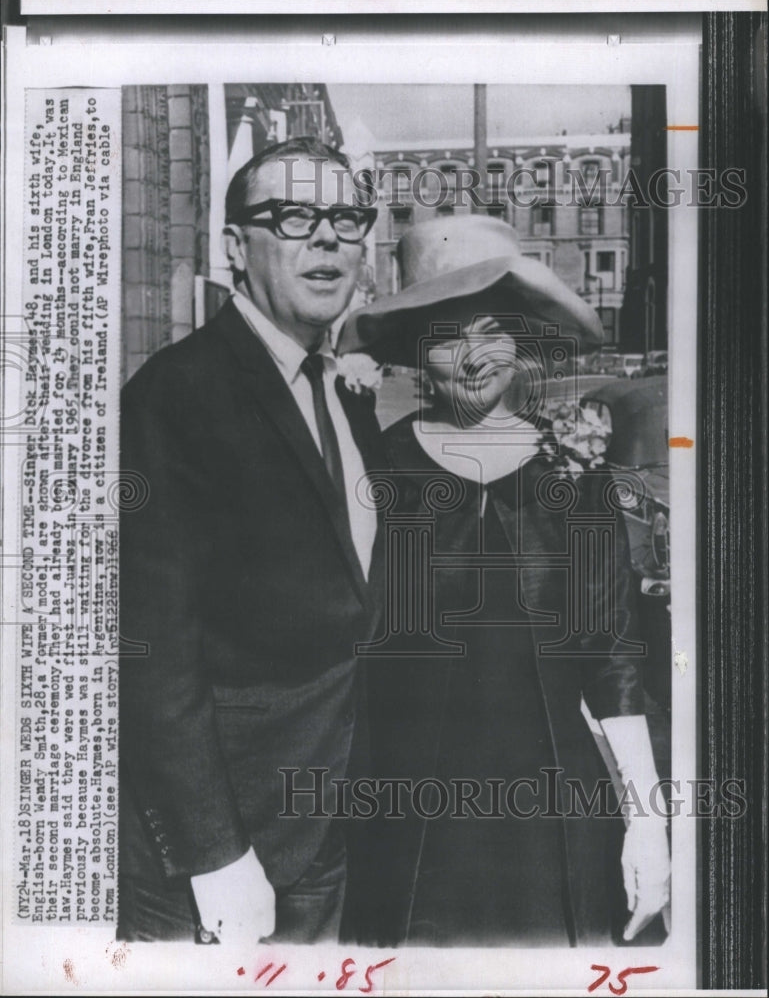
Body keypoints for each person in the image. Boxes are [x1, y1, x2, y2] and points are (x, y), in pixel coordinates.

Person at [339, 215, 671, 948]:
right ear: (415, 351)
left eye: (491, 330)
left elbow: (613, 658)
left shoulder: (570, 476)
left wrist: (647, 828)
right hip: (407, 823)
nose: (473, 356)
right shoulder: (376, 467)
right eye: (447, 334)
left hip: (556, 819)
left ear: (519, 337)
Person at [118, 137, 384, 944]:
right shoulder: (176, 394)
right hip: (227, 858)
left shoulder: (342, 396)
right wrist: (213, 853)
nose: (328, 237)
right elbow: (150, 641)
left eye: (345, 217)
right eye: (295, 216)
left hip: (326, 828)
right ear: (236, 247)